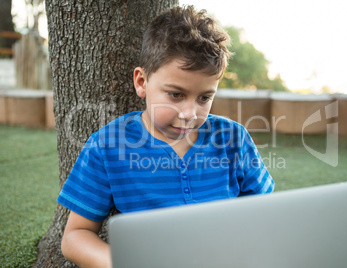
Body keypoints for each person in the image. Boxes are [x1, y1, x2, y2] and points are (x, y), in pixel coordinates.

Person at [58, 5, 275, 268]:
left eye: (205, 98)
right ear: (142, 82)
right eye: (175, 94)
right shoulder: (107, 146)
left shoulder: (233, 138)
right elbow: (75, 237)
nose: (189, 113)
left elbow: (266, 214)